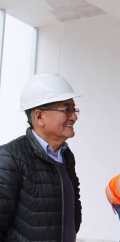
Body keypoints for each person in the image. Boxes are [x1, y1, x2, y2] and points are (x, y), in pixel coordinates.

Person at [0, 72, 82, 241]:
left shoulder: (66, 156)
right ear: (39, 116)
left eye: (74, 109)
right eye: (66, 109)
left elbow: (74, 203)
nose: (73, 116)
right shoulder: (10, 158)